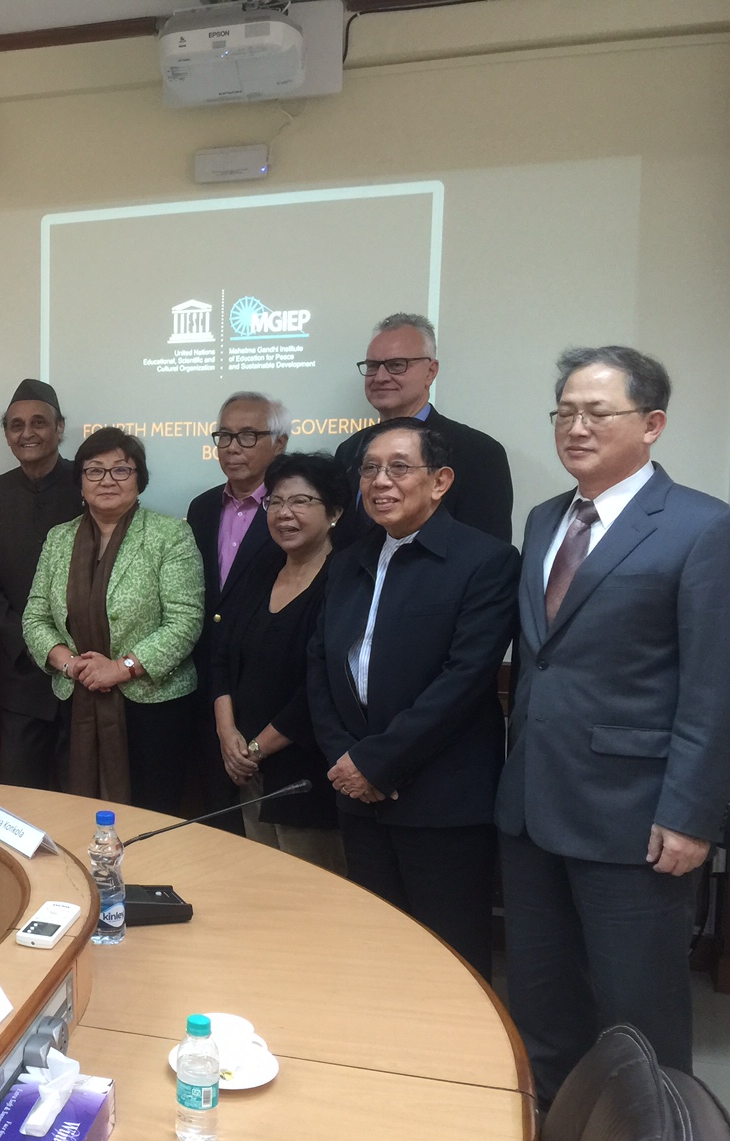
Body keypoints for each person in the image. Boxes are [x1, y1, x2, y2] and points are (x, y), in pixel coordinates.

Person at [497, 346, 730, 1103]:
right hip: (532, 806)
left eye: (598, 412)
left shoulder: (702, 526)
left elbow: (713, 686)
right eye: (565, 412)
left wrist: (691, 815)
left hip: (635, 816)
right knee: (543, 1004)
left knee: (639, 1018)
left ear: (652, 424)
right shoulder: (544, 519)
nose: (576, 427)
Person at [308, 417, 520, 977]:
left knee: (450, 960)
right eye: (370, 469)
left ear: (440, 481)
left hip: (441, 801)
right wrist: (344, 758)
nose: (381, 482)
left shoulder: (486, 561)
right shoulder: (348, 561)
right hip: (357, 793)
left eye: (399, 468)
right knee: (376, 950)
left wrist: (377, 762)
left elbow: (464, 679)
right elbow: (320, 664)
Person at [22, 427, 205, 816]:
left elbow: (185, 621)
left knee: (150, 816)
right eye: (94, 470)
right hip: (78, 699)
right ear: (80, 481)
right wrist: (70, 664)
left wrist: (120, 668)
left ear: (139, 479)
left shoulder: (170, 534)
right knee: (79, 814)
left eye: (121, 470)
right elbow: (35, 616)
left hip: (152, 708)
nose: (107, 480)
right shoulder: (59, 539)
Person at [212, 453, 349, 873]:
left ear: (334, 513)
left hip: (306, 772)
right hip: (245, 766)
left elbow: (321, 685)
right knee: (260, 886)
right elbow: (222, 653)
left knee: (307, 892)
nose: (284, 513)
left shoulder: (345, 579)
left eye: (301, 501)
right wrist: (227, 735)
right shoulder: (262, 566)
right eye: (275, 501)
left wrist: (256, 748)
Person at [0, 379, 83, 790]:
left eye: (39, 422)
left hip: (85, 670)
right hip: (21, 671)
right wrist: (33, 642)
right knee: (20, 796)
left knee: (80, 797)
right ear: (6, 434)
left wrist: (69, 651)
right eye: (16, 425)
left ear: (59, 427)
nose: (27, 433)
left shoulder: (89, 485)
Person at [185, 391, 288, 827]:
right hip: (209, 681)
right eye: (224, 436)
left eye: (248, 436)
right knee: (216, 817)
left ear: (279, 443)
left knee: (268, 826)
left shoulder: (292, 508)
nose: (232, 447)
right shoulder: (203, 507)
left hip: (269, 685)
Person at [335, 313, 513, 545]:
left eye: (396, 365)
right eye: (372, 366)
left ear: (431, 371)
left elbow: (488, 554)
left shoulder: (479, 453)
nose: (380, 377)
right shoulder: (349, 450)